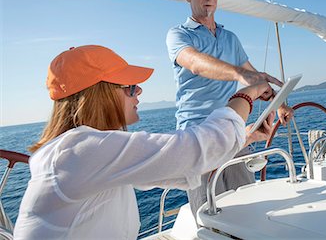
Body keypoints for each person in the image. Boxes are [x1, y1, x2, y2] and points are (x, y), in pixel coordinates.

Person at [13, 45, 275, 239]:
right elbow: (197, 149)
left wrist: (247, 135)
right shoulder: (75, 152)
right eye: (129, 87)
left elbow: (177, 166)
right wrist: (247, 94)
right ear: (100, 96)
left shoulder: (81, 153)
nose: (139, 91)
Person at [166, 0, 294, 215]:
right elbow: (193, 62)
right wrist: (239, 73)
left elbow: (253, 75)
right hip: (198, 136)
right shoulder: (178, 34)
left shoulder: (230, 38)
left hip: (234, 132)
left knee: (246, 209)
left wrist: (279, 104)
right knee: (209, 214)